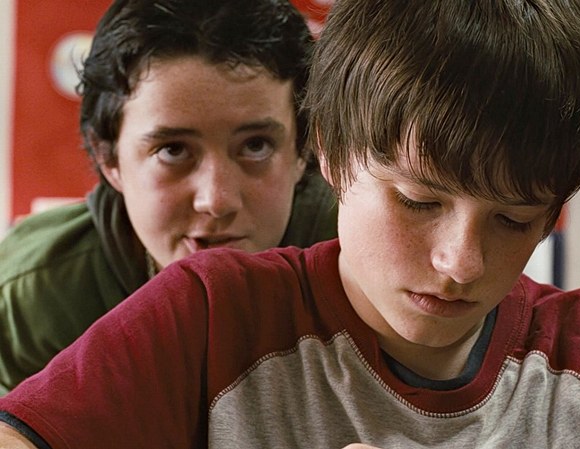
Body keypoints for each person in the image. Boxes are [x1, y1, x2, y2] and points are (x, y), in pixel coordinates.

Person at [0, 1, 580, 447]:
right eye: (418, 201)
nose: (461, 261)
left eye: (512, 218)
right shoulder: (209, 316)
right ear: (328, 151)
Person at [0, 0, 337, 395]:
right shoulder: (35, 297)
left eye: (256, 146)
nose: (216, 200)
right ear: (109, 157)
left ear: (303, 150)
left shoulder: (360, 260)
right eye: (173, 151)